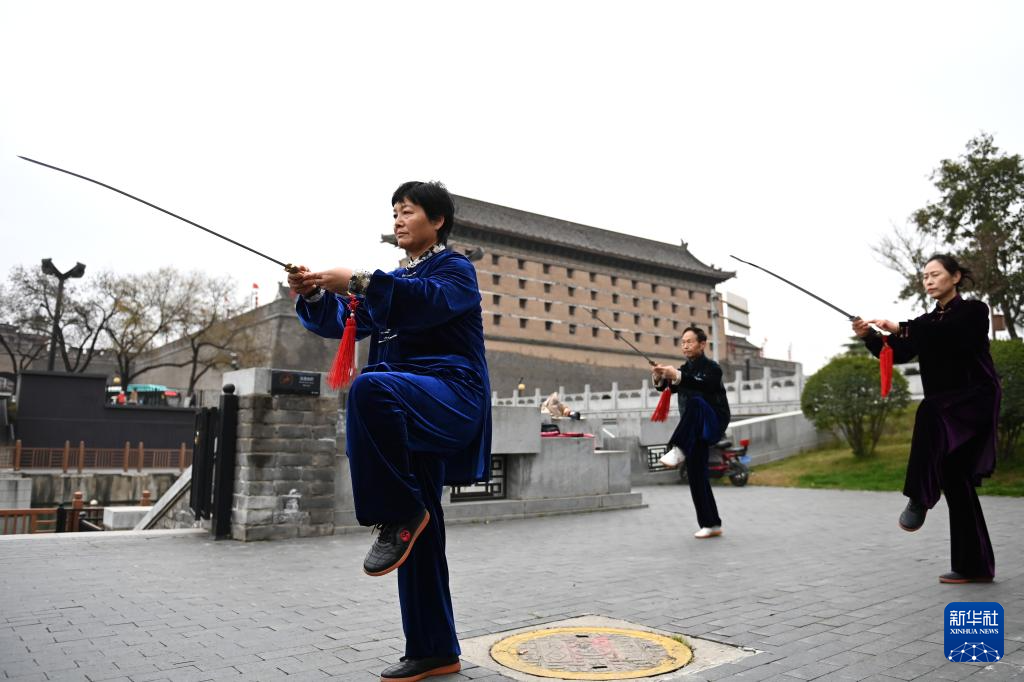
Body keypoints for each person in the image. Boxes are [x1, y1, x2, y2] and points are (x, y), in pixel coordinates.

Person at [288, 181, 491, 682]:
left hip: (451, 392)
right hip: (405, 407)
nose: (398, 219)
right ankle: (434, 649)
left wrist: (359, 280)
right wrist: (315, 293)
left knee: (368, 387)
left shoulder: (455, 270)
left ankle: (398, 513)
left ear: (436, 221)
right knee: (423, 532)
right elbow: (344, 319)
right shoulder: (394, 281)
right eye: (395, 212)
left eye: (408, 211)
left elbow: (424, 302)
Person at [853, 253, 1001, 584]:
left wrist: (902, 327)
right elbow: (898, 352)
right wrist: (869, 337)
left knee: (929, 409)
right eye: (925, 276)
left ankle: (919, 497)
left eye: (935, 274)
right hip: (947, 411)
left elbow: (950, 335)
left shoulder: (974, 311)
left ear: (955, 277)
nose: (929, 280)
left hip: (974, 398)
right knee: (955, 480)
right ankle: (974, 567)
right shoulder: (926, 322)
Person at [651, 327, 731, 539]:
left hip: (713, 422)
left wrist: (677, 376)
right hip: (694, 430)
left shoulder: (713, 369)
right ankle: (711, 524)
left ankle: (678, 449)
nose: (685, 345)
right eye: (683, 342)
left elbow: (703, 385)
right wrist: (659, 377)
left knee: (696, 402)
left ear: (702, 344)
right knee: (696, 474)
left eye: (690, 341)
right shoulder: (684, 370)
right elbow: (667, 387)